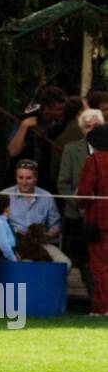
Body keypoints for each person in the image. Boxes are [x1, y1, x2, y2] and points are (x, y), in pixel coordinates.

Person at [57, 107, 104, 302]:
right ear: (81, 129)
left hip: (103, 217)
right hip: (77, 217)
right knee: (81, 261)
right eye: (87, 127)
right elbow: (62, 184)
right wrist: (79, 204)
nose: (91, 130)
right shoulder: (71, 149)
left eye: (96, 126)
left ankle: (100, 302)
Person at [3, 159, 70, 267]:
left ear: (36, 178)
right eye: (20, 178)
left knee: (66, 264)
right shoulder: (5, 195)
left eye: (28, 178)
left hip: (40, 243)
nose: (24, 182)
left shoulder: (47, 197)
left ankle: (45, 283)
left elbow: (56, 225)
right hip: (15, 244)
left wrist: (47, 235)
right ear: (16, 177)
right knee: (27, 265)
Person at [6, 86, 67, 188]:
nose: (62, 113)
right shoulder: (24, 119)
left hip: (50, 178)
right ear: (47, 108)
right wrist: (24, 126)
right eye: (59, 109)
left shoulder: (62, 122)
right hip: (24, 176)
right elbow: (13, 151)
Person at [76, 125, 108, 316]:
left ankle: (102, 308)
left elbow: (84, 195)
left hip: (100, 223)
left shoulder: (94, 161)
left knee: (100, 268)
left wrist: (79, 200)